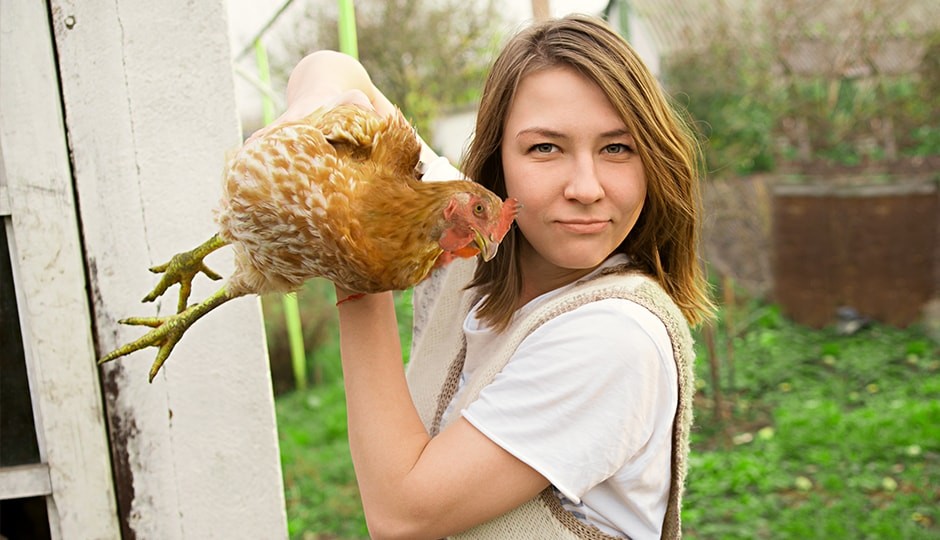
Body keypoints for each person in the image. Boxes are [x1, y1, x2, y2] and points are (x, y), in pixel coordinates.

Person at [272, 14, 713, 540]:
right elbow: (338, 71)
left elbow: (401, 514)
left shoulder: (614, 337)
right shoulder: (474, 236)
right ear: (497, 165)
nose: (586, 187)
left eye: (617, 148)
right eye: (545, 148)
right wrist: (309, 111)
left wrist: (357, 260)